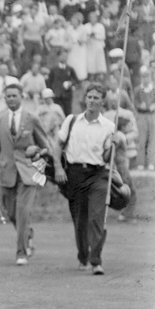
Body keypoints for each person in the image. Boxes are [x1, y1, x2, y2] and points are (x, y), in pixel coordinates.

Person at [52, 83, 119, 275]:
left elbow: (107, 158)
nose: (92, 100)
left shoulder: (109, 126)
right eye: (89, 97)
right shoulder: (72, 120)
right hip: (74, 174)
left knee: (96, 218)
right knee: (80, 219)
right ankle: (83, 256)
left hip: (97, 174)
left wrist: (113, 146)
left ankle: (96, 260)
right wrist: (58, 167)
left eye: (96, 98)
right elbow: (57, 146)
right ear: (85, 99)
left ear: (102, 101)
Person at [0, 83, 51, 266]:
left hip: (28, 173)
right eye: (8, 96)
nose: (11, 99)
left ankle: (21, 252)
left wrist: (37, 153)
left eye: (14, 95)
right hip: (6, 172)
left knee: (22, 211)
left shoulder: (31, 118)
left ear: (21, 96)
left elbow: (46, 147)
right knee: (11, 212)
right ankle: (27, 234)